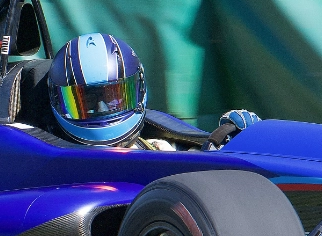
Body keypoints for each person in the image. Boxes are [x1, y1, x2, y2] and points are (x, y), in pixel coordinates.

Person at [46, 32, 259, 150]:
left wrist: (231, 149)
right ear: (57, 99)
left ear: (138, 89)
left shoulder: (159, 150)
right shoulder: (46, 161)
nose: (102, 108)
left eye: (113, 97)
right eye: (88, 101)